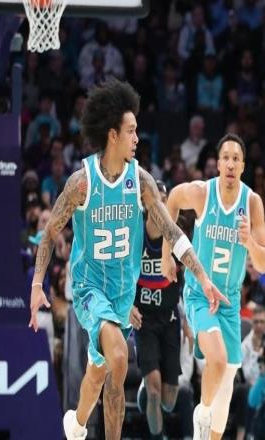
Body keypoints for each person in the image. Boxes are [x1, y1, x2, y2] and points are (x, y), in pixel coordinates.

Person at [28, 79, 226, 440]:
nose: (137, 138)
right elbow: (50, 230)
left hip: (122, 293)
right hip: (89, 287)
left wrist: (202, 276)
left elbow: (172, 232)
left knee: (99, 369)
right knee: (119, 357)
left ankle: (76, 424)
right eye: (131, 130)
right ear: (112, 135)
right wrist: (37, 283)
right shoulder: (82, 183)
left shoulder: (142, 181)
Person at [161, 132, 265, 440]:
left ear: (243, 166)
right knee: (218, 361)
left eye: (237, 159)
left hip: (230, 301)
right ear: (218, 163)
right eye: (226, 158)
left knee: (227, 381)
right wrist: (166, 254)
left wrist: (249, 242)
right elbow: (171, 200)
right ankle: (202, 414)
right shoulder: (202, 193)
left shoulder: (252, 202)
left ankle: (208, 428)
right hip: (199, 294)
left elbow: (263, 264)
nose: (231, 164)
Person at [129, 180, 192, 440]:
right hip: (143, 320)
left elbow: (187, 281)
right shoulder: (134, 234)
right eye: (155, 199)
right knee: (155, 392)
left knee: (168, 400)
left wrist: (188, 322)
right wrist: (128, 305)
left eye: (164, 200)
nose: (160, 205)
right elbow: (120, 273)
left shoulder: (176, 235)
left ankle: (145, 392)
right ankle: (157, 435)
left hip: (170, 318)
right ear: (145, 202)